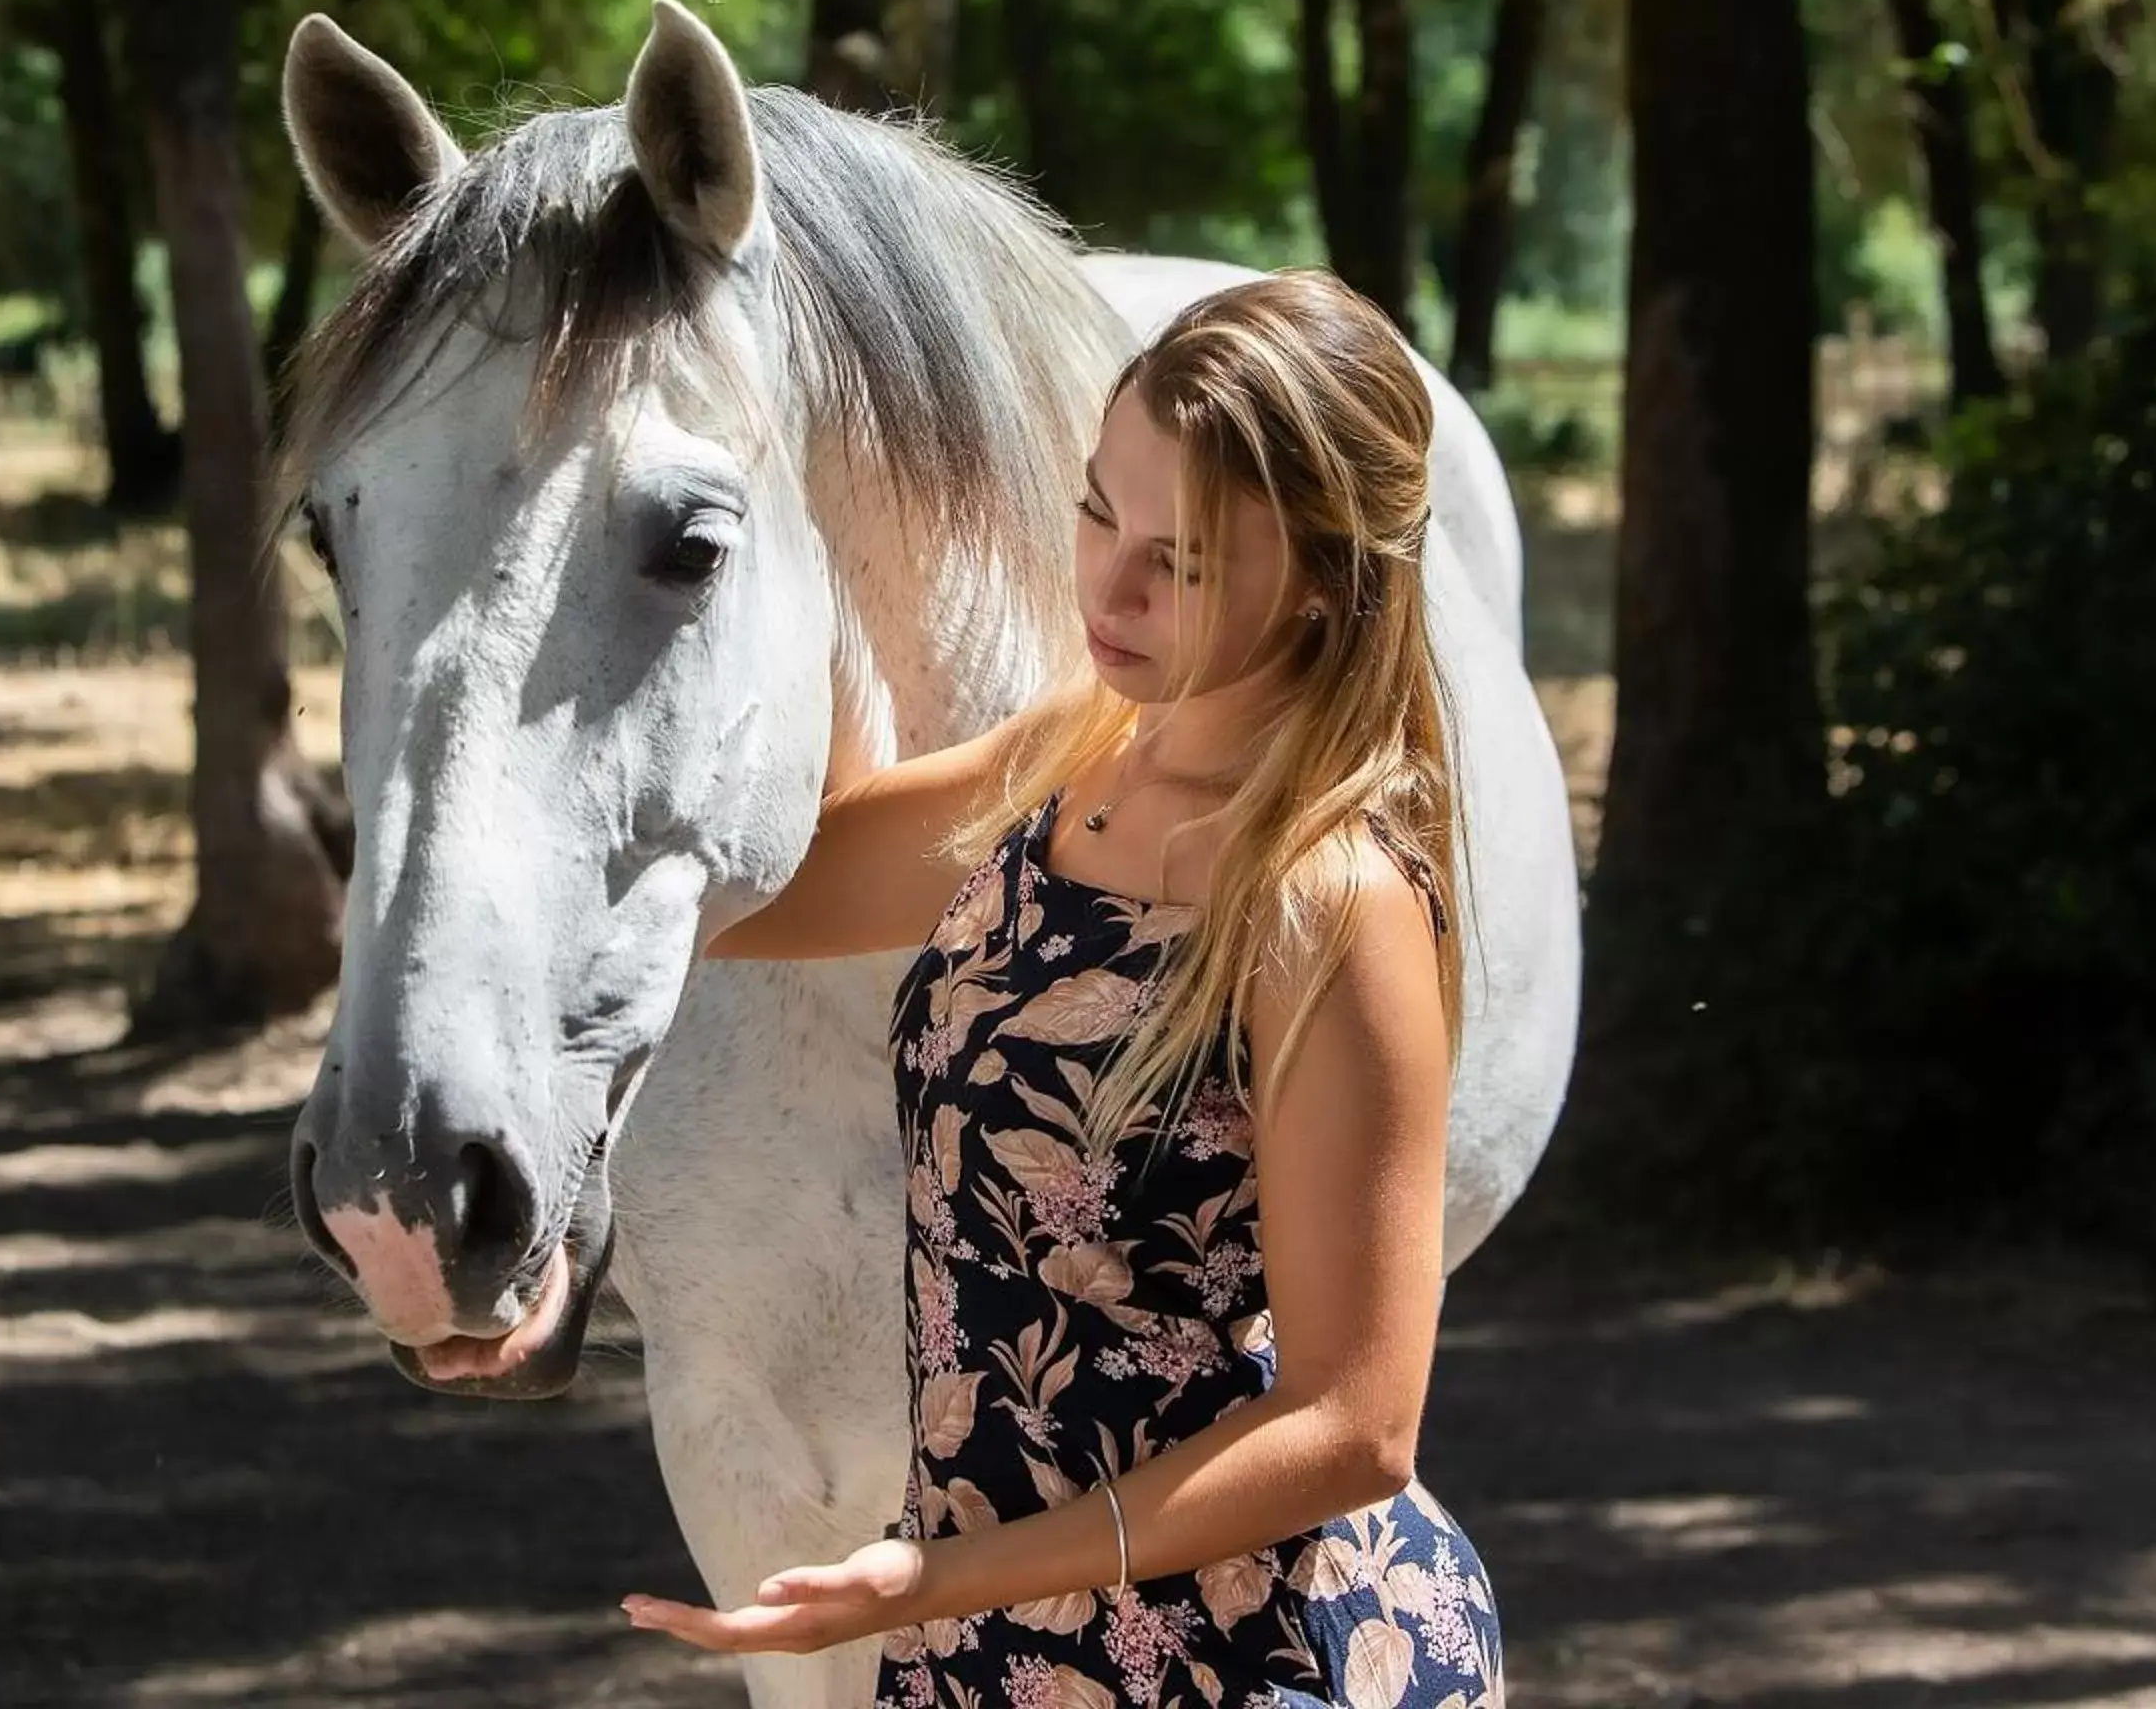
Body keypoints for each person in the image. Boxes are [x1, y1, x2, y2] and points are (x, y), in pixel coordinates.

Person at [621, 270, 1505, 1707]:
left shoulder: (1327, 906)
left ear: (1332, 580)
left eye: (1191, 562)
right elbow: (768, 893)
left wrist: (940, 1576)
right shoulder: (1079, 755)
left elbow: (1357, 1428)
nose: (1113, 585)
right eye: (1100, 510)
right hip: (994, 1647)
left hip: (1247, 1657)